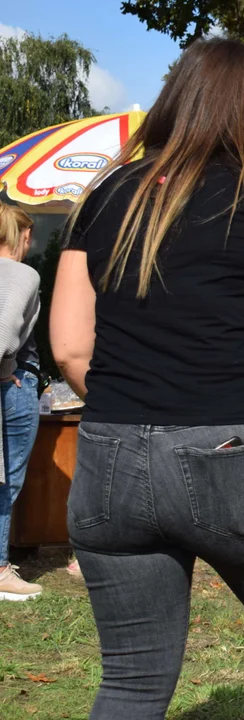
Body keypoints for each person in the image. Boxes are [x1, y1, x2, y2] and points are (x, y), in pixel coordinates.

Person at [49, 39, 244, 718]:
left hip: (108, 454)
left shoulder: (103, 196)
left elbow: (71, 349)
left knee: (131, 682)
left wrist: (136, 424)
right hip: (236, 453)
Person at [0, 205, 42, 601]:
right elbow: (4, 332)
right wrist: (7, 367)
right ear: (23, 236)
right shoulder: (21, 274)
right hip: (10, 386)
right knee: (6, 480)